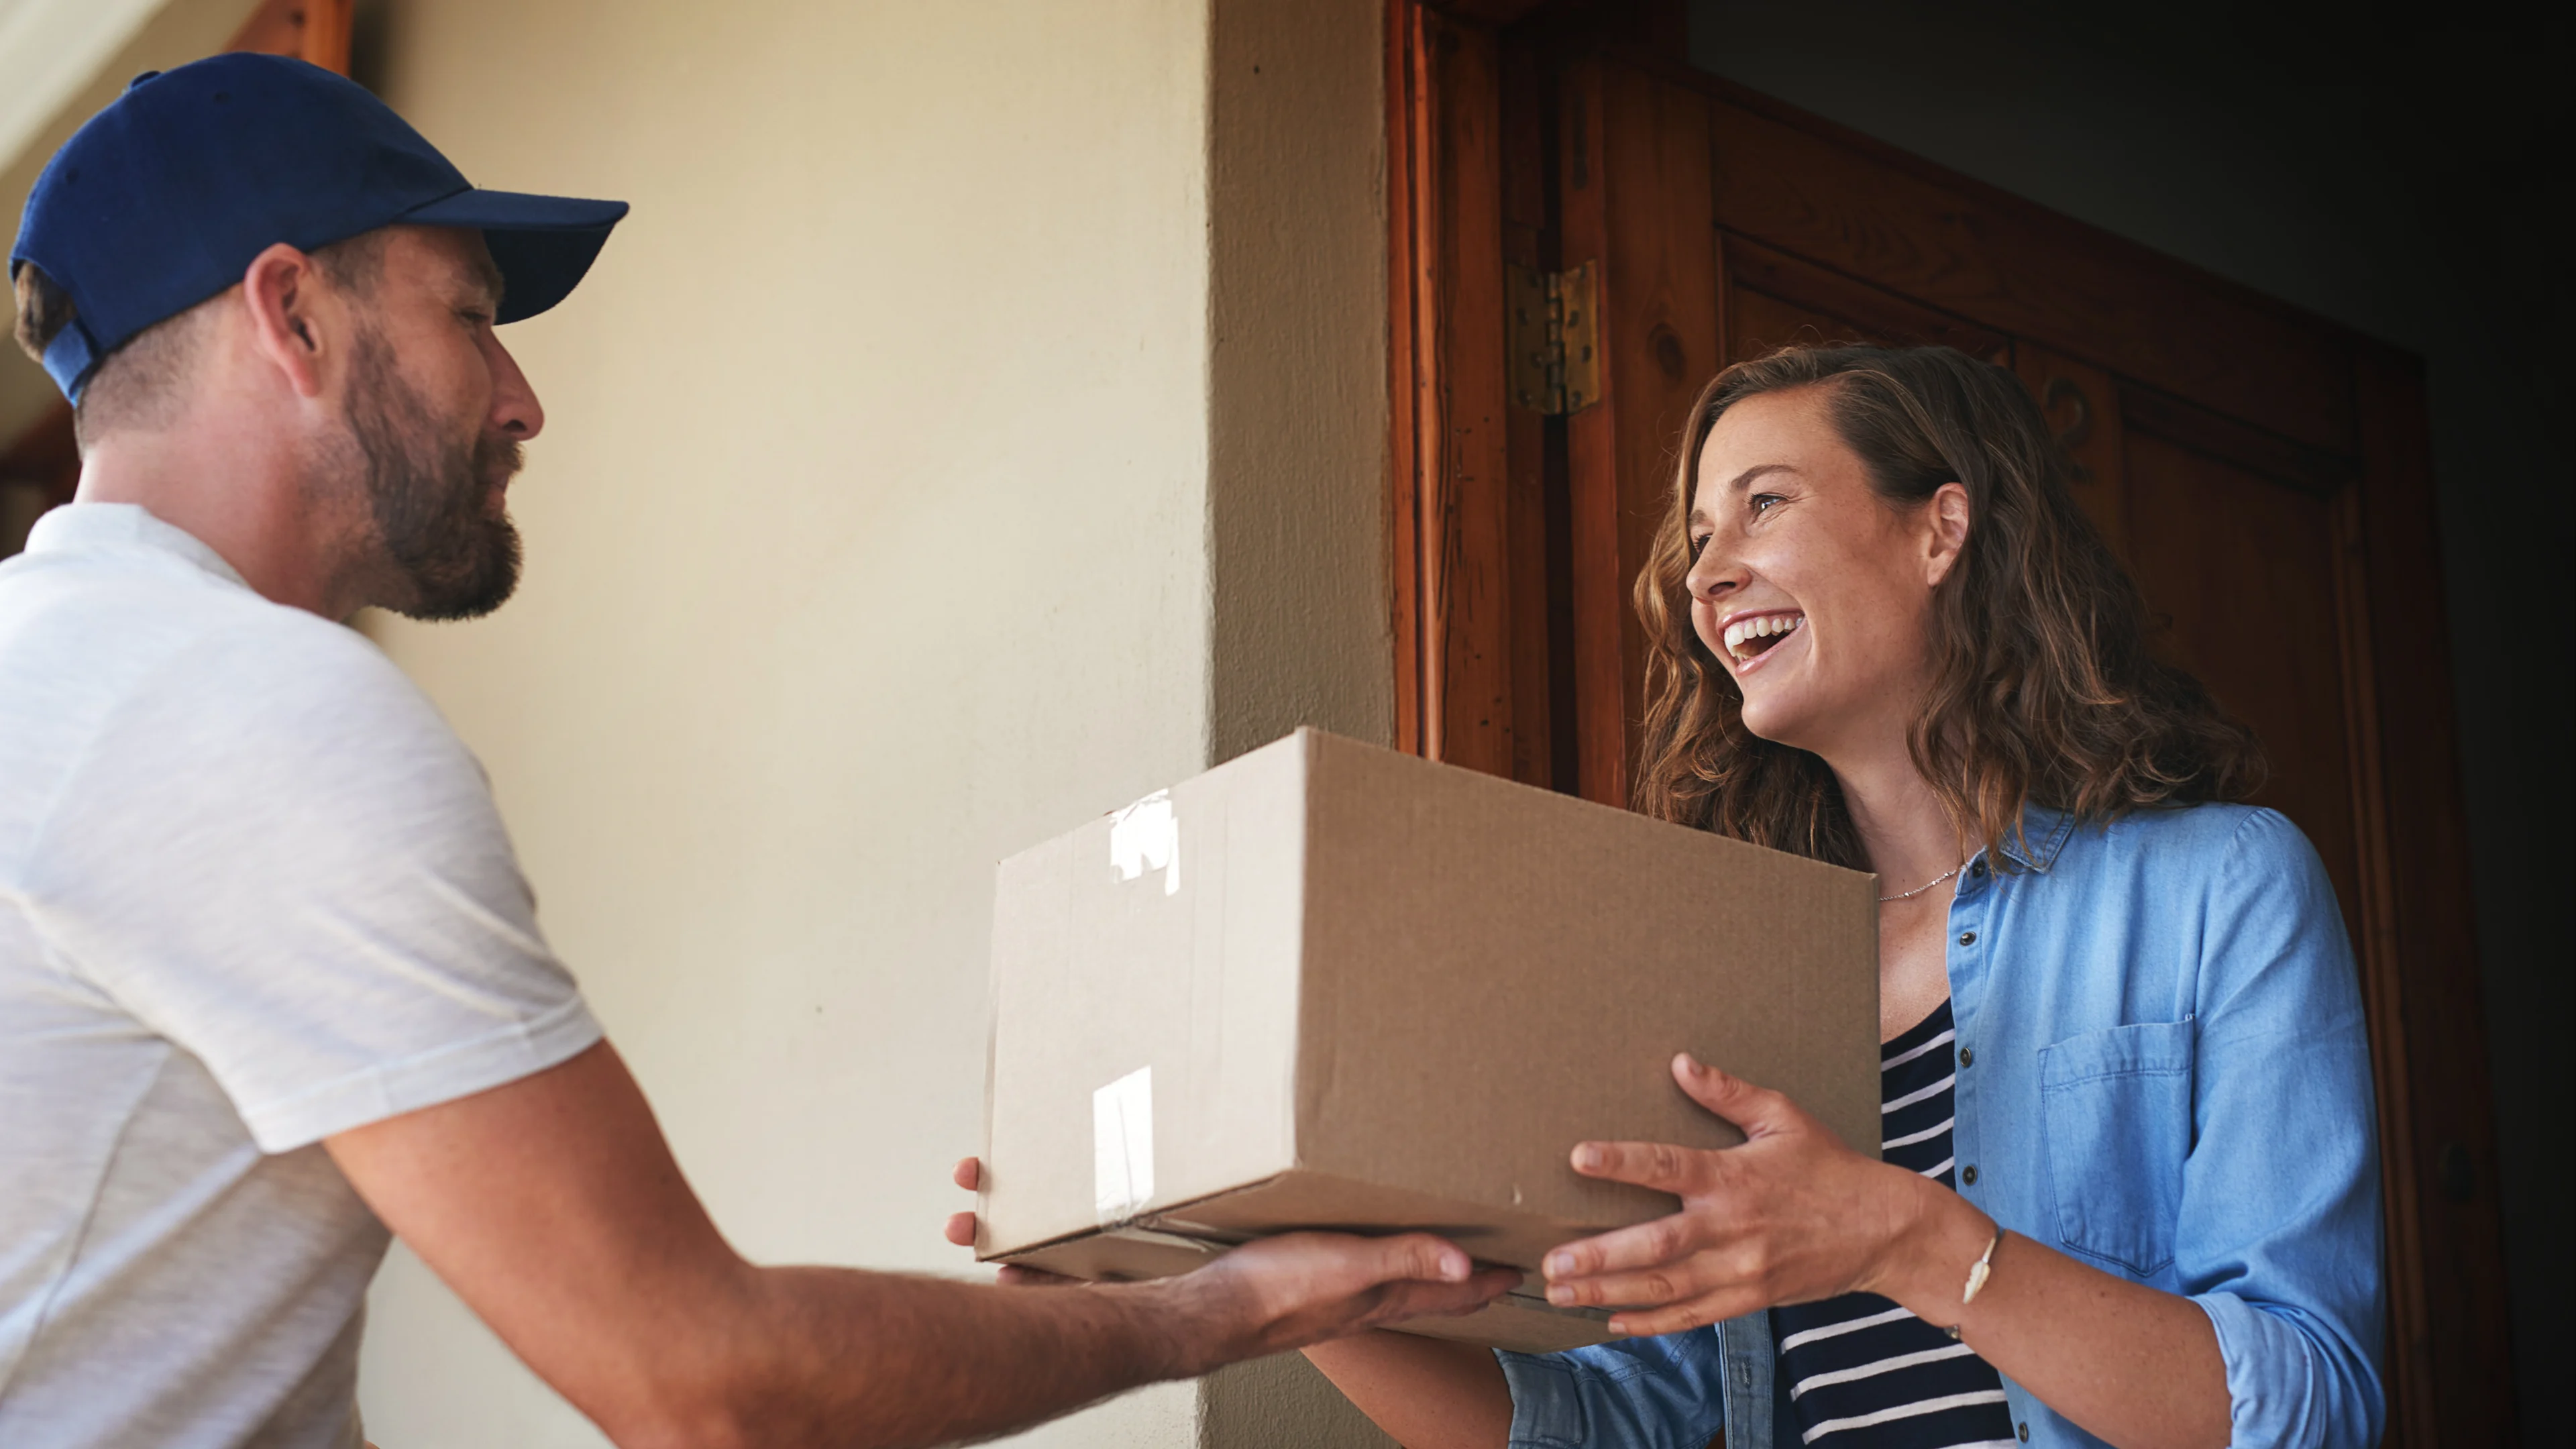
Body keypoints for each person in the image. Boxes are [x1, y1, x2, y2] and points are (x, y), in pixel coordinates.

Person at [0, 54, 1510, 1449]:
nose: (523, 397)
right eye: (470, 315)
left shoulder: (63, 676)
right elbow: (705, 1379)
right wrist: (1224, 1308)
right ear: (294, 315)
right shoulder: (242, 713)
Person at [1267, 346, 2385, 1448]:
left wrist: (1903, 1239)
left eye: (1766, 506)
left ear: (1939, 528)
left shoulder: (2222, 889)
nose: (1707, 577)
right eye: (1703, 539)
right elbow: (1605, 1421)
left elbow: (2313, 1410)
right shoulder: (1736, 982)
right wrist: (1274, 1286)